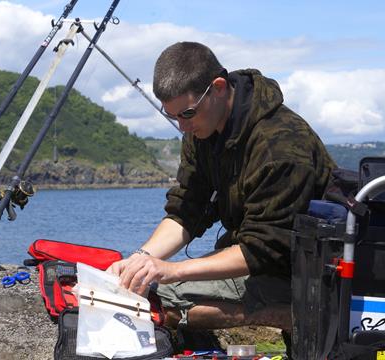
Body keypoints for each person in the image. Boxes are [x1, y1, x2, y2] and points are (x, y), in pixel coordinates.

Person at [107, 42, 335, 346]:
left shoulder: (280, 146)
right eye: (173, 116)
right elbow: (187, 209)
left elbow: (262, 249)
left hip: (307, 272)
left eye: (187, 113)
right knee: (147, 287)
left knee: (168, 299)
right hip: (261, 256)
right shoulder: (201, 129)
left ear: (217, 87)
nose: (183, 126)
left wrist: (172, 271)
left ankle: (295, 316)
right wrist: (141, 259)